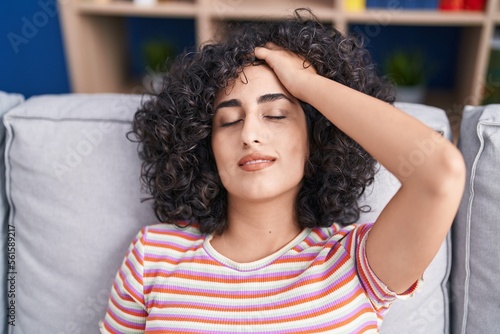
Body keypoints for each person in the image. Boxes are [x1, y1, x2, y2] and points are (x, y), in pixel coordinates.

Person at [100, 9, 465, 333]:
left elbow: (439, 173)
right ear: (204, 145)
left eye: (276, 115)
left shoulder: (355, 262)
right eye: (228, 121)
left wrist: (309, 85)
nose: (250, 134)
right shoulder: (154, 254)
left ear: (316, 140)